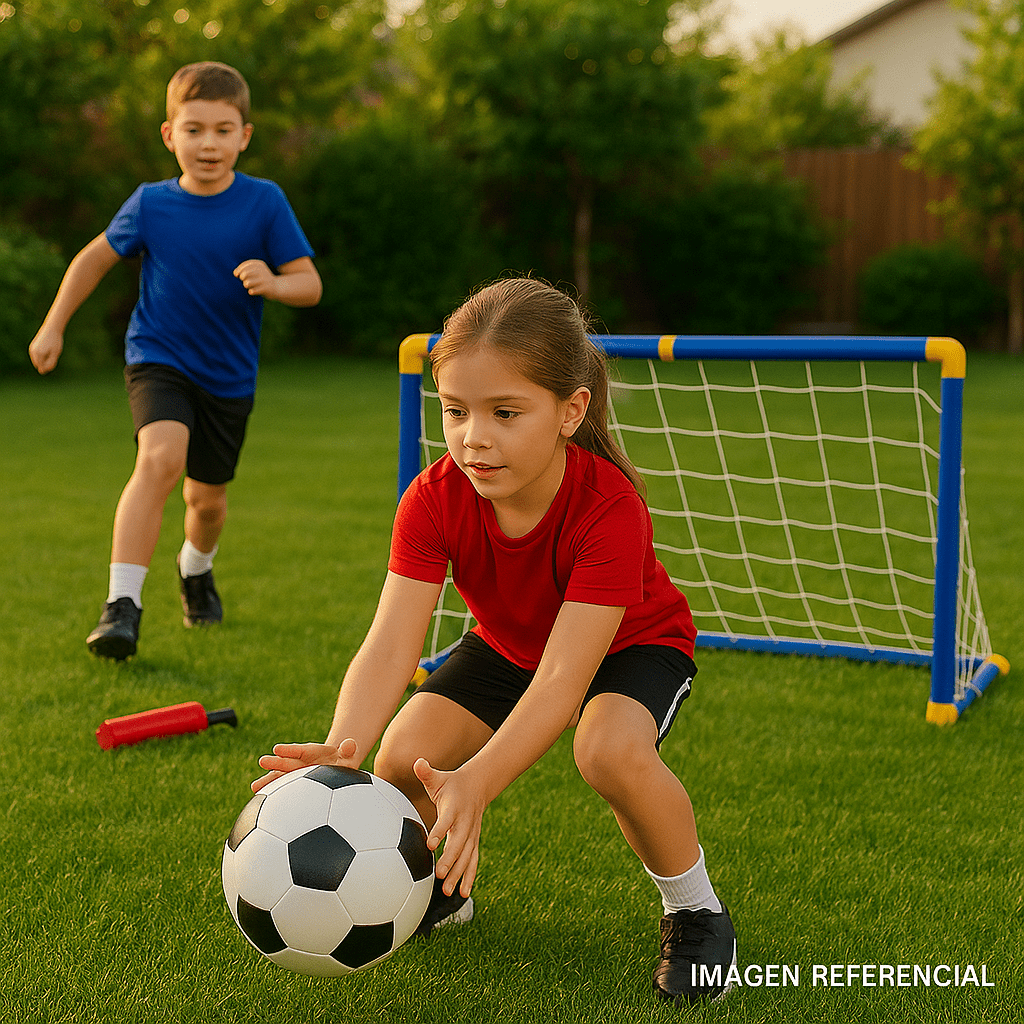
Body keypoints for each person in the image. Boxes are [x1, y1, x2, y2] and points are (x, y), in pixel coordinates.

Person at [253, 278, 736, 1005]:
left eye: (505, 412)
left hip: (630, 646)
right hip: (510, 644)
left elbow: (562, 683)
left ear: (571, 411)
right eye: (456, 410)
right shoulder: (433, 498)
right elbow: (391, 643)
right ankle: (441, 892)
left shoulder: (608, 508)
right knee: (401, 758)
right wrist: (343, 743)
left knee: (607, 752)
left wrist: (478, 780)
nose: (475, 436)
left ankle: (695, 910)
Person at [28, 61, 322, 660]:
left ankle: (196, 568)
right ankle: (121, 606)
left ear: (244, 136)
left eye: (222, 130)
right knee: (159, 458)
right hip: (158, 357)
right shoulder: (150, 204)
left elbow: (310, 284)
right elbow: (92, 260)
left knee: (206, 503)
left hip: (228, 376)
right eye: (194, 129)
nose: (208, 144)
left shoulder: (265, 202)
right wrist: (53, 325)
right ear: (169, 135)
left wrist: (274, 282)